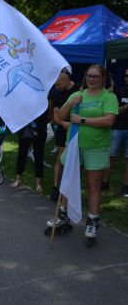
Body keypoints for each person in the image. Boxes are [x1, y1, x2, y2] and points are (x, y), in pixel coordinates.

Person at [52, 64, 118, 242]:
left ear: (103, 78)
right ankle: (64, 215)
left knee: (93, 185)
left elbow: (109, 120)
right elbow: (61, 116)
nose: (91, 79)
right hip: (74, 145)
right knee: (67, 181)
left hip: (96, 147)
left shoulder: (108, 97)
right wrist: (71, 103)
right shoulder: (76, 95)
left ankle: (92, 221)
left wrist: (82, 120)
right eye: (89, 76)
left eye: (95, 76)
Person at [50, 70, 80, 201]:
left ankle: (70, 188)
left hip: (79, 128)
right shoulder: (57, 94)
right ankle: (56, 187)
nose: (56, 87)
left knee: (75, 160)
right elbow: (55, 116)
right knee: (61, 158)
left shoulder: (79, 89)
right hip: (63, 129)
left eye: (58, 84)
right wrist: (62, 123)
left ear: (66, 80)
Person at [11, 106, 51, 193]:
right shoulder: (25, 99)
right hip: (25, 128)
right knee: (22, 154)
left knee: (38, 156)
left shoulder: (43, 99)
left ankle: (38, 183)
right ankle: (18, 179)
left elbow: (47, 114)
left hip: (39, 129)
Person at [102, 68, 128, 198]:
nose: (127, 78)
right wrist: (125, 107)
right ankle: (105, 182)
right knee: (111, 157)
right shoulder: (120, 92)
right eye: (126, 75)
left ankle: (126, 186)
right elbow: (114, 110)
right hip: (117, 128)